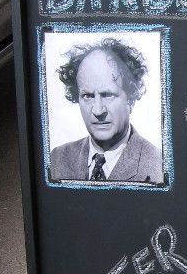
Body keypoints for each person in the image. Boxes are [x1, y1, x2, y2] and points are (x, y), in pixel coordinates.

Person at [50, 37, 163, 184]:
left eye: (108, 95)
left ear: (131, 98)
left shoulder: (159, 167)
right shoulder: (57, 159)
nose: (98, 111)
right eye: (88, 96)